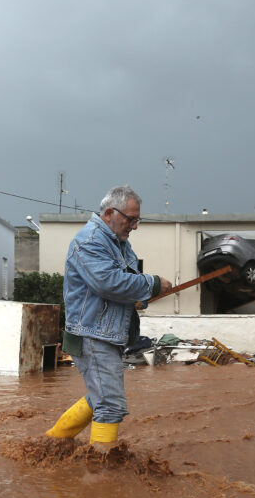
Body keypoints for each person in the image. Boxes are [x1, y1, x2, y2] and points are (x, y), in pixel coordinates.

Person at [45, 186, 172, 448]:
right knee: (110, 405)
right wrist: (153, 284)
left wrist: (143, 293)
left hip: (105, 334)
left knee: (99, 397)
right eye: (130, 219)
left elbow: (124, 284)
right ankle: (101, 476)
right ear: (108, 213)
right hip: (91, 335)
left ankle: (51, 444)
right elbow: (107, 282)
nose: (134, 226)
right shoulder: (91, 240)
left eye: (138, 220)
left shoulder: (120, 243)